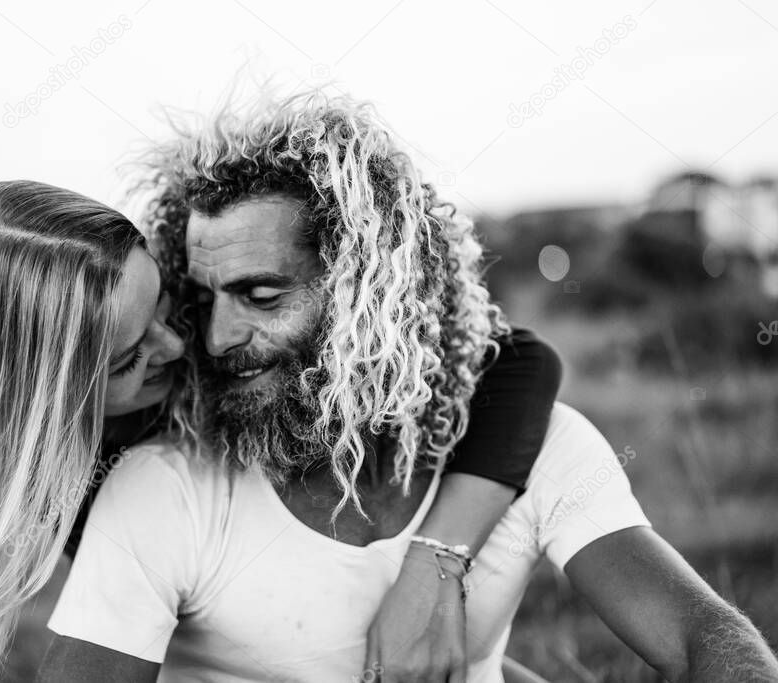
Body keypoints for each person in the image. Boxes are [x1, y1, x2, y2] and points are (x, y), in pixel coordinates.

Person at [38, 92, 778, 682]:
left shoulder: (541, 445)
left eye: (261, 295)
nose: (214, 338)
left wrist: (439, 555)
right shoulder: (161, 487)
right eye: (205, 300)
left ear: (373, 298)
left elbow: (703, 637)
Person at [0, 179, 561, 682]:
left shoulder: (213, 343)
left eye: (168, 305)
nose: (177, 346)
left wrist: (435, 561)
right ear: (33, 402)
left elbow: (524, 360)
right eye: (127, 358)